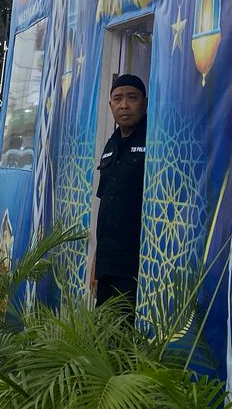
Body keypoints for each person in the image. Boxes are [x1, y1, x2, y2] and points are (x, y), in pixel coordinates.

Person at [89, 73, 148, 306]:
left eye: (132, 97)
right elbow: (106, 208)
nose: (124, 105)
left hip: (137, 266)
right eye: (118, 98)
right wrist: (96, 262)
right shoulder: (111, 145)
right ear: (110, 105)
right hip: (108, 265)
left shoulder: (153, 141)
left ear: (144, 102)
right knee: (105, 326)